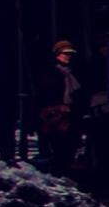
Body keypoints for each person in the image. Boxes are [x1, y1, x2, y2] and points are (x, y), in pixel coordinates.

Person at [32, 40, 84, 174]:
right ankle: (58, 174)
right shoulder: (49, 73)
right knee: (59, 149)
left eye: (70, 54)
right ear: (57, 55)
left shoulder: (73, 73)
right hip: (54, 118)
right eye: (65, 53)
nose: (68, 56)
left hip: (70, 117)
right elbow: (42, 96)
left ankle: (64, 173)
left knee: (69, 149)